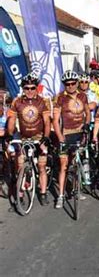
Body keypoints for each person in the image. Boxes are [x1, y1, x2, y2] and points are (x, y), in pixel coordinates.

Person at [7, 74, 51, 205]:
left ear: (37, 88)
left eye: (33, 88)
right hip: (24, 138)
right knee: (20, 166)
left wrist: (46, 138)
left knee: (41, 166)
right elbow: (11, 120)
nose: (30, 91)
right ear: (23, 89)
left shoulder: (43, 101)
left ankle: (43, 193)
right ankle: (20, 196)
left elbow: (47, 122)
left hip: (39, 138)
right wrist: (10, 134)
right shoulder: (17, 101)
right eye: (27, 88)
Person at [52, 70, 91, 209]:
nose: (70, 86)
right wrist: (60, 137)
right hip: (66, 134)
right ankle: (61, 196)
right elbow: (55, 121)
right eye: (67, 84)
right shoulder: (60, 98)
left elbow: (88, 113)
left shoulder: (83, 96)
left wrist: (86, 126)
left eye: (73, 83)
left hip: (80, 134)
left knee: (76, 162)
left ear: (77, 83)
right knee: (64, 165)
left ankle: (76, 190)